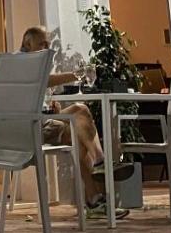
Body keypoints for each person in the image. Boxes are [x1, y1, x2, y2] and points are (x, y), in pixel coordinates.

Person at [18, 26, 131, 217]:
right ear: (27, 44)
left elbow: (35, 94)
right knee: (80, 113)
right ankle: (100, 164)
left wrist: (52, 108)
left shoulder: (33, 65)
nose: (46, 48)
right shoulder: (20, 61)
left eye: (47, 43)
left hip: (40, 122)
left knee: (80, 124)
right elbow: (44, 80)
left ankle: (95, 199)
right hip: (30, 128)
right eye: (41, 44)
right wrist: (77, 74)